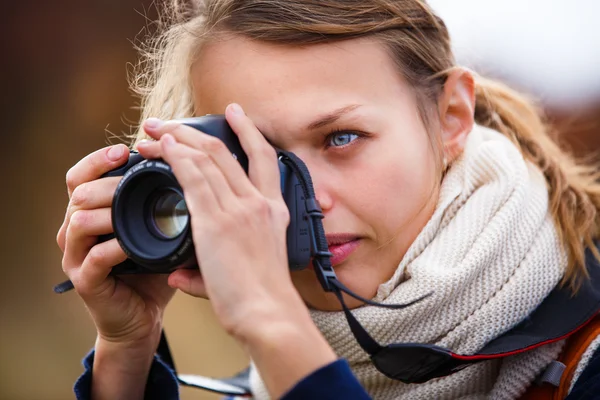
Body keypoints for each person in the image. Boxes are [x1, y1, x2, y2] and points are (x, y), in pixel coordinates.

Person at [56, 0, 600, 399]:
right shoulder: (267, 381)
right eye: (257, 156)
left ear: (450, 118)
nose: (299, 202)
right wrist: (126, 354)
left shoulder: (585, 360)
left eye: (340, 138)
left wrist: (270, 318)